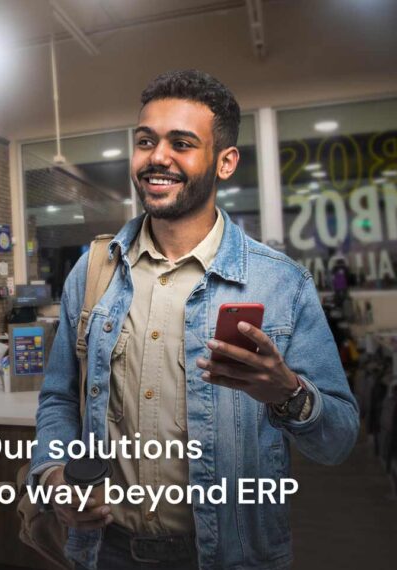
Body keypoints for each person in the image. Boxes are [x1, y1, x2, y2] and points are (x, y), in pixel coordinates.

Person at [30, 70, 359, 570]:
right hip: (106, 551)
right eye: (145, 141)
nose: (157, 156)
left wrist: (287, 393)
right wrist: (54, 475)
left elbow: (338, 440)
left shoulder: (281, 285)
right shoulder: (93, 272)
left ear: (225, 162)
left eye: (181, 143)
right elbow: (58, 396)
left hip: (229, 554)